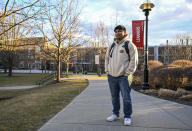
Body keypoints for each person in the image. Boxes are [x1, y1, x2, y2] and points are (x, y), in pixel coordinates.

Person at [105, 25, 138, 126]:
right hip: (112, 76)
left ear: (124, 32)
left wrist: (128, 72)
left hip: (124, 77)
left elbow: (134, 60)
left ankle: (127, 116)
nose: (117, 32)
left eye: (120, 31)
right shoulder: (112, 45)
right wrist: (107, 71)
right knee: (114, 97)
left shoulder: (129, 45)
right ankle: (115, 114)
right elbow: (107, 59)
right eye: (116, 31)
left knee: (126, 98)